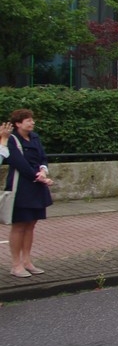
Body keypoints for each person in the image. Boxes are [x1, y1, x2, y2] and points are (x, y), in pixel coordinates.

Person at [5, 109, 54, 278]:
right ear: (18, 123)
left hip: (37, 187)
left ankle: (27, 261)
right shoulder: (11, 139)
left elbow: (42, 157)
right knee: (19, 225)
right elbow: (18, 163)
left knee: (31, 224)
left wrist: (43, 170)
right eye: (28, 120)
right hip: (21, 187)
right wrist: (38, 177)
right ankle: (15, 264)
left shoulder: (35, 137)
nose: (32, 123)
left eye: (32, 120)